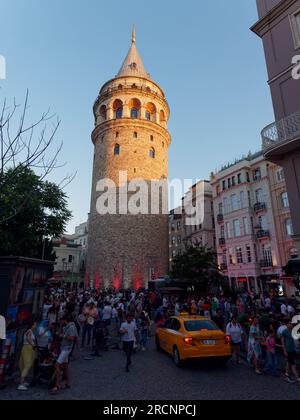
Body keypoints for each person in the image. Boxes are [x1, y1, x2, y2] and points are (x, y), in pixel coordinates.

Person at [51, 314, 77, 394]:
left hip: (67, 348)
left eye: (61, 320)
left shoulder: (71, 327)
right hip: (63, 347)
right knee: (65, 366)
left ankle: (57, 384)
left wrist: (63, 336)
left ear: (65, 320)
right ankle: (67, 383)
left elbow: (72, 338)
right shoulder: (66, 327)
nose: (61, 322)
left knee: (57, 364)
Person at [17, 320, 37, 391]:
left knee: (23, 364)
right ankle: (21, 384)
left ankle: (22, 381)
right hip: (28, 348)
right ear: (32, 325)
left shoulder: (29, 331)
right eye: (35, 324)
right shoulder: (30, 331)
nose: (36, 326)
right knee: (27, 365)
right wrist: (32, 344)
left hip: (25, 347)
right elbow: (28, 338)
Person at [281, 319, 300, 384]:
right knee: (293, 365)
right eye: (289, 323)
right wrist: (284, 350)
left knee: (289, 363)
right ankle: (297, 378)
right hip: (288, 350)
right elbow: (282, 342)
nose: (291, 324)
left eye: (291, 323)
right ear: (286, 324)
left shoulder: (292, 331)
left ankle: (286, 375)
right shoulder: (284, 331)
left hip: (293, 349)